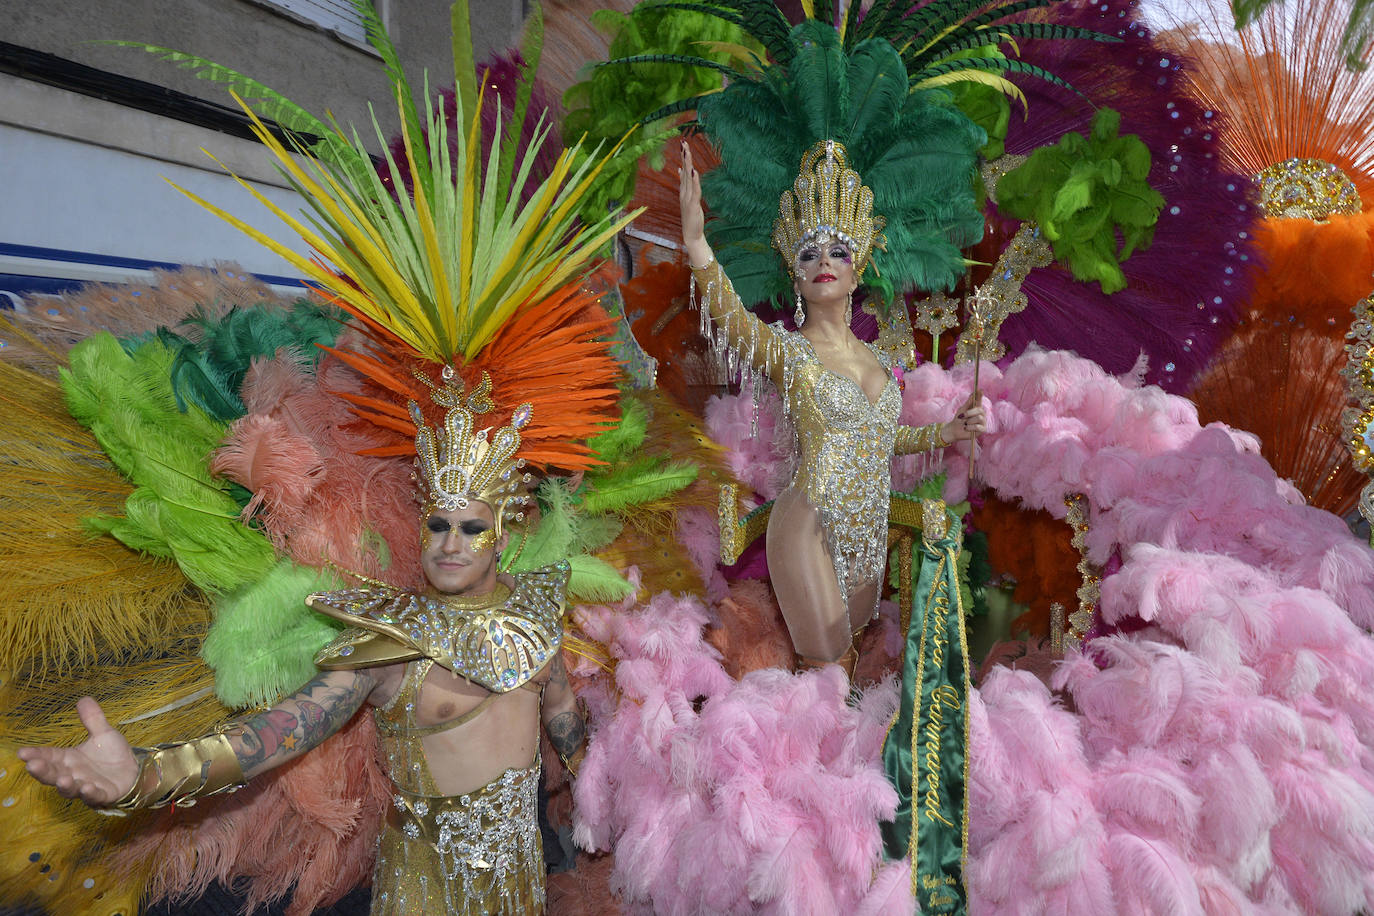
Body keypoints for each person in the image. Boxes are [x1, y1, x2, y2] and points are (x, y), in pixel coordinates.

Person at [18, 375, 587, 915]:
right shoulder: (389, 645)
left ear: (501, 535)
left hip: (519, 875)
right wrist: (145, 776)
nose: (450, 544)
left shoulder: (533, 611)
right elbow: (281, 733)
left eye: (470, 529)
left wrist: (591, 779)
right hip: (426, 886)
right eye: (438, 525)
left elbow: (557, 699)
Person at [678, 138, 986, 675]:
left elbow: (878, 441)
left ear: (857, 270)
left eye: (838, 251)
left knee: (845, 672)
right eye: (808, 254)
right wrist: (698, 245)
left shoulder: (876, 356)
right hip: (807, 526)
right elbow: (731, 320)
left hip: (868, 538)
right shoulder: (789, 353)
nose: (824, 260)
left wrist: (948, 433)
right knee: (829, 673)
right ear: (795, 278)